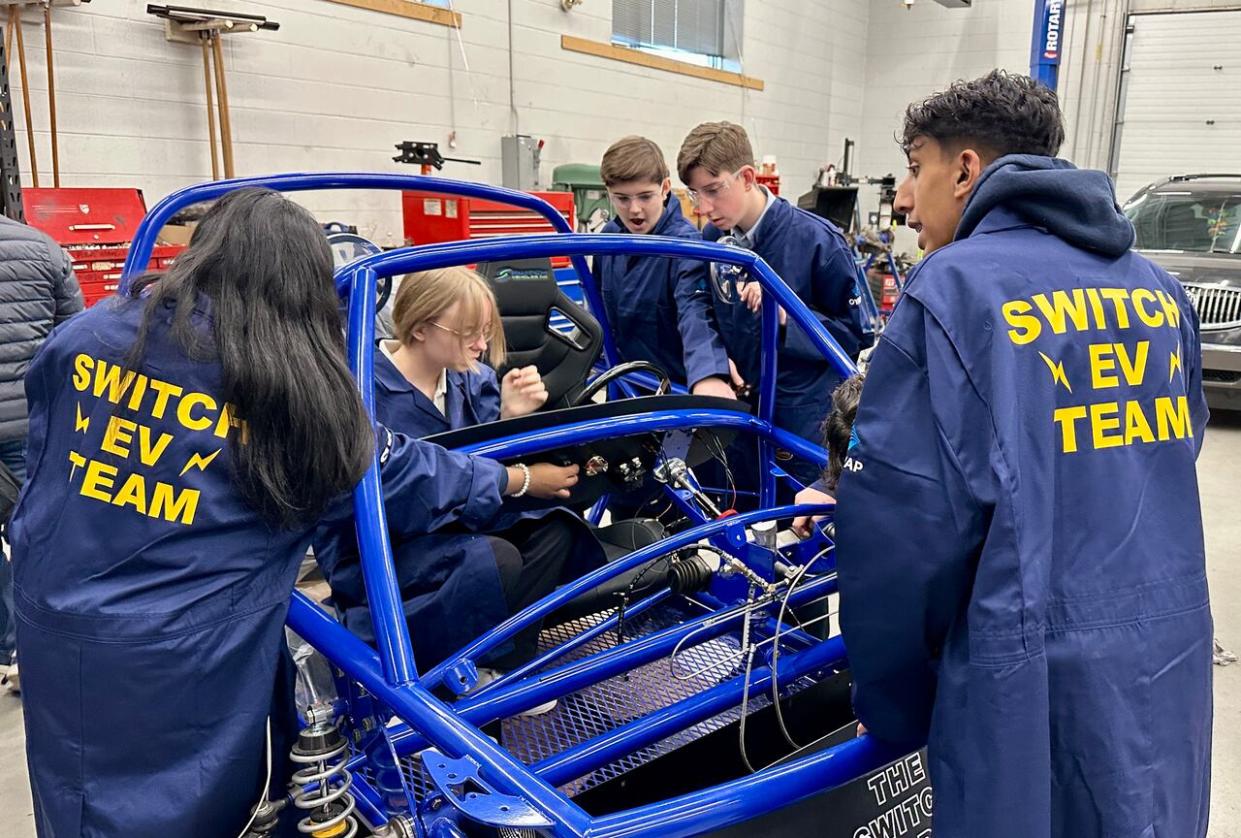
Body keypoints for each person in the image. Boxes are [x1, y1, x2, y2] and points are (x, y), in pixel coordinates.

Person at [9, 188, 578, 837]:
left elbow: (45, 450)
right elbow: (398, 473)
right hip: (188, 652)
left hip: (56, 624)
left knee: (73, 796)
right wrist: (514, 478)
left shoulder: (87, 334)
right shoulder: (286, 384)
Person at [833, 71, 1211, 837]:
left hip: (1019, 679)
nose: (904, 197)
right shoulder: (1158, 292)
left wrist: (892, 702)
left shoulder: (951, 291)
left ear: (965, 169)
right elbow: (1167, 456)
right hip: (1165, 669)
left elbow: (902, 533)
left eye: (915, 165)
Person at [315, 266, 605, 701]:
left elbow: (480, 461)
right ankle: (427, 676)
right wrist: (521, 480)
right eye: (467, 331)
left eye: (486, 331)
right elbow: (400, 486)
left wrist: (509, 416)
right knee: (493, 557)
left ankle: (504, 664)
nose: (482, 345)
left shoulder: (473, 377)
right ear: (419, 327)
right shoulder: (360, 388)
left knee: (557, 530)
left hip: (456, 523)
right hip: (380, 541)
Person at [676, 121, 870, 485]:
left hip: (799, 420)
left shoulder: (818, 242)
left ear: (748, 177)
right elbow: (701, 306)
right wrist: (712, 366)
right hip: (740, 413)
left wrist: (786, 317)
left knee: (795, 522)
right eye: (693, 193)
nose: (702, 207)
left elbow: (851, 339)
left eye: (713, 191)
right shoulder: (712, 238)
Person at [0, 216, 83, 694]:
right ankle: (39, 648)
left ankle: (8, 643)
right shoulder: (43, 247)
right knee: (38, 532)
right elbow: (77, 335)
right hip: (30, 418)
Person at [595, 135, 734, 398]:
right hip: (624, 384)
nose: (634, 209)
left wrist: (708, 375)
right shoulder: (608, 239)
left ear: (665, 188)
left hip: (673, 391)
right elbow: (598, 311)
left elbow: (695, 310)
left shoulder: (684, 244)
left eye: (645, 196)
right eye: (621, 198)